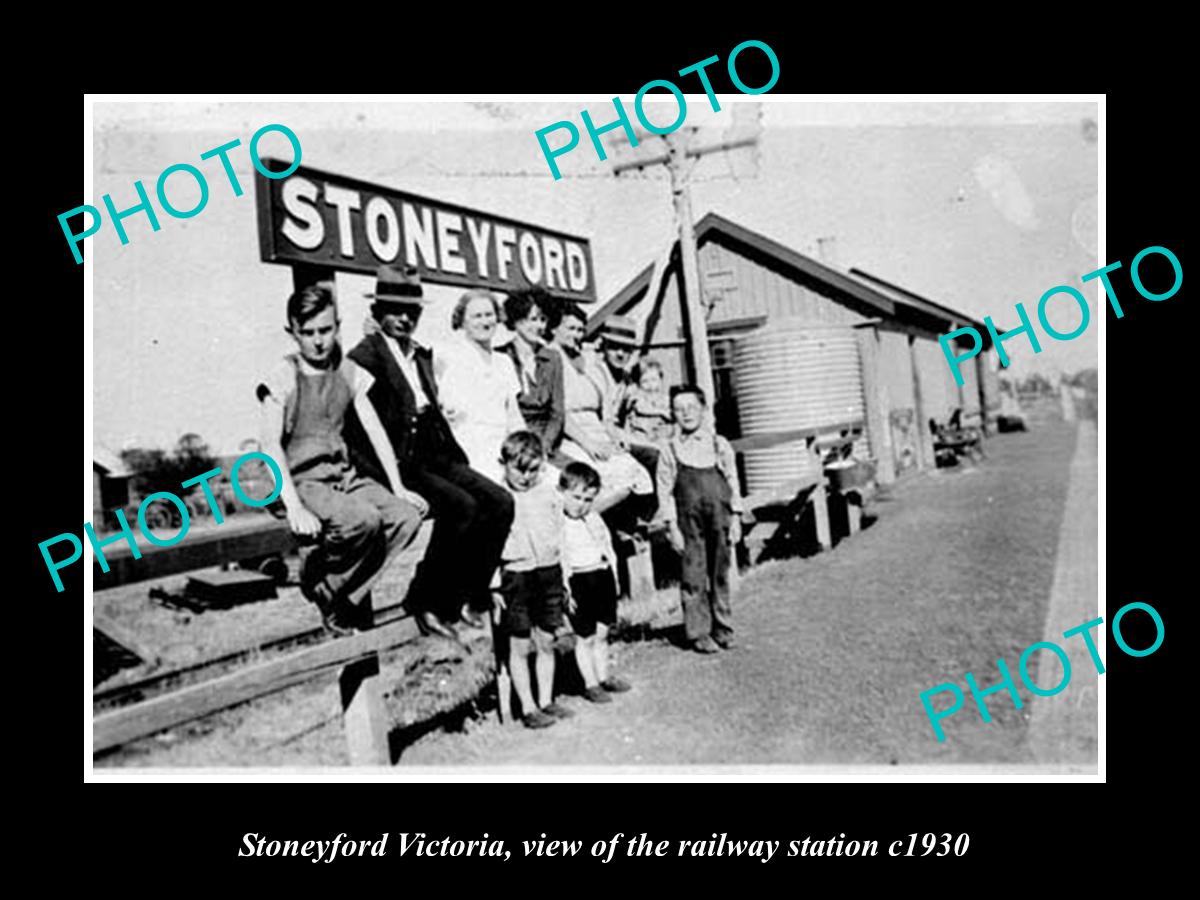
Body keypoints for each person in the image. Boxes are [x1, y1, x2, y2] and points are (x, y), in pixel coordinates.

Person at [347, 265, 514, 639]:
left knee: (500, 502)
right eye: (395, 310)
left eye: (412, 312)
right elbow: (354, 418)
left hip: (436, 451)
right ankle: (425, 600)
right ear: (378, 312)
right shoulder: (366, 356)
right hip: (399, 459)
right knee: (461, 507)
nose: (405, 318)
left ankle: (470, 595)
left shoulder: (421, 354)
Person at [255, 283, 426, 636]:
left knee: (405, 517)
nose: (318, 341)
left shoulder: (347, 370)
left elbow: (374, 429)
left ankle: (336, 593)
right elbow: (269, 445)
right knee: (362, 520)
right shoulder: (284, 375)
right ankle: (322, 581)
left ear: (338, 326)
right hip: (301, 480)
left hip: (342, 476)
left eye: (326, 330)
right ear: (293, 333)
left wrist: (398, 488)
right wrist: (294, 508)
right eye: (308, 333)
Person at [493, 431, 575, 729]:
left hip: (548, 572)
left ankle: (545, 700)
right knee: (519, 644)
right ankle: (526, 707)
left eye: (533, 469)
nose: (526, 477)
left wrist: (564, 576)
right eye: (519, 469)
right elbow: (488, 546)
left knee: (547, 640)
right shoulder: (498, 497)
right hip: (516, 575)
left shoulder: (550, 494)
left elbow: (561, 536)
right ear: (504, 464)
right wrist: (493, 586)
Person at [657, 384, 744, 654]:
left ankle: (723, 627)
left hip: (720, 518)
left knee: (719, 573)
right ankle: (698, 632)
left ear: (704, 410)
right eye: (679, 409)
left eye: (692, 407)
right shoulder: (669, 450)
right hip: (688, 523)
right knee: (693, 576)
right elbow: (665, 492)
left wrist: (737, 517)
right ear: (673, 414)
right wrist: (672, 527)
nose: (686, 414)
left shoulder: (719, 445)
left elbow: (732, 480)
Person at [547, 301, 653, 514]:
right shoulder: (551, 358)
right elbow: (559, 412)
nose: (576, 335)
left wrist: (613, 437)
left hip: (597, 432)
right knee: (607, 480)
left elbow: (605, 413)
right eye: (570, 329)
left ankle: (625, 527)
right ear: (554, 328)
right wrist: (590, 443)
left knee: (635, 472)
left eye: (579, 330)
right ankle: (588, 521)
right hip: (572, 435)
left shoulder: (583, 361)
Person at [435, 290, 526, 485]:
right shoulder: (447, 356)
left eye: (489, 314)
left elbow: (514, 416)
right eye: (477, 316)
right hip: (468, 449)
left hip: (504, 449)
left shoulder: (504, 362)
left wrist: (525, 449)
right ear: (462, 321)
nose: (485, 322)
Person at [560, 461, 632, 702]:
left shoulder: (594, 519)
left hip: (601, 577)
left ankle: (603, 677)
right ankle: (590, 683)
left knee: (602, 632)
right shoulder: (559, 524)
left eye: (588, 499)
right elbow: (561, 561)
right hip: (579, 581)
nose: (581, 505)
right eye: (577, 497)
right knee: (585, 636)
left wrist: (614, 577)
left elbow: (607, 547)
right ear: (562, 492)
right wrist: (566, 591)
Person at [498, 287, 565, 455]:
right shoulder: (500, 357)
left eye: (543, 319)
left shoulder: (553, 358)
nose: (539, 326)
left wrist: (545, 444)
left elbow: (557, 412)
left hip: (546, 442)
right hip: (513, 441)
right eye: (532, 319)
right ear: (517, 321)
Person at [622, 358, 673, 445]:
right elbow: (641, 408)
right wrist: (662, 412)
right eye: (645, 381)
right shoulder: (638, 398)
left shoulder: (666, 399)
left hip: (662, 439)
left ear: (661, 380)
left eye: (654, 380)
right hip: (641, 439)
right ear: (638, 384)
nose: (650, 385)